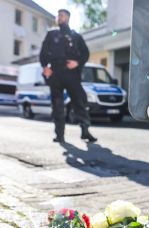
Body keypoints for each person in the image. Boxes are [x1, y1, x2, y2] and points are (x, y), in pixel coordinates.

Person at [39, 9, 96, 143]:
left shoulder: (76, 36)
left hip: (72, 74)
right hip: (55, 73)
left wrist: (77, 63)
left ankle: (85, 131)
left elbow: (85, 53)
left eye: (62, 15)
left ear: (68, 18)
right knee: (57, 104)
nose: (59, 17)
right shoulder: (51, 34)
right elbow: (43, 53)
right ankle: (59, 135)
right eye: (58, 15)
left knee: (79, 102)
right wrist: (45, 67)